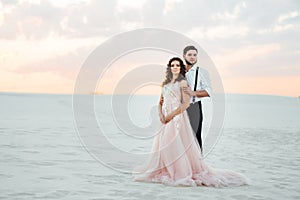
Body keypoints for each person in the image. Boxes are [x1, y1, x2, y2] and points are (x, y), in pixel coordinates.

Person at [133, 57, 248, 187]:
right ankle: (165, 169)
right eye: (172, 65)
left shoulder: (182, 83)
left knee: (175, 145)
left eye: (177, 65)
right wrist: (161, 114)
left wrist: (171, 115)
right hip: (164, 119)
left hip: (176, 118)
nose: (175, 67)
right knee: (164, 145)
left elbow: (186, 103)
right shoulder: (165, 84)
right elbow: (160, 102)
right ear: (169, 68)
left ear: (181, 68)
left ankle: (178, 171)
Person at [183, 45, 211, 152]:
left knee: (195, 137)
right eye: (189, 55)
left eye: (194, 55)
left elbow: (208, 92)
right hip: (179, 108)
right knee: (180, 138)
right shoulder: (179, 70)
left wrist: (192, 93)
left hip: (194, 107)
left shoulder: (201, 72)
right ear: (184, 56)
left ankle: (198, 164)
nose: (192, 57)